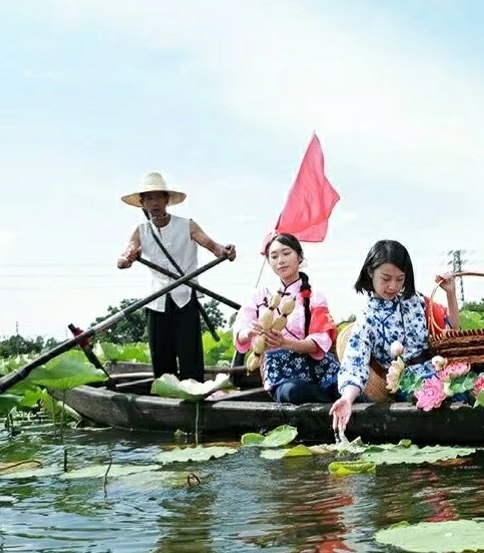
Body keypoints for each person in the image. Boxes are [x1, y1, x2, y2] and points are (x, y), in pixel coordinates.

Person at [329, 240, 460, 436]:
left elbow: (452, 330)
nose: (393, 286)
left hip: (439, 367)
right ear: (370, 272)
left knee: (471, 386)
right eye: (386, 278)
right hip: (408, 383)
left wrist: (451, 293)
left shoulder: (416, 300)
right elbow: (354, 363)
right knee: (439, 400)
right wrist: (347, 399)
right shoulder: (366, 319)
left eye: (400, 279)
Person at [116, 172, 236, 381]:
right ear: (143, 203)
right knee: (161, 359)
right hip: (156, 300)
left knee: (191, 356)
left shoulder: (187, 225)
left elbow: (213, 246)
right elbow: (123, 258)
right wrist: (128, 258)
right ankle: (167, 401)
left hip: (185, 297)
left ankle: (194, 397)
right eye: (148, 198)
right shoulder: (141, 231)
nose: (153, 203)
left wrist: (225, 251)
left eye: (157, 197)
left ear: (166, 200)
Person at [232, 233, 341, 403]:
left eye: (286, 253)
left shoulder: (315, 297)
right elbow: (240, 331)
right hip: (280, 374)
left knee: (348, 388)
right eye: (274, 256)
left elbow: (319, 342)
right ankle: (330, 407)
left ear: (299, 256)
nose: (280, 260)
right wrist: (250, 333)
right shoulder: (259, 296)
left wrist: (285, 342)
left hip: (320, 369)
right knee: (294, 392)